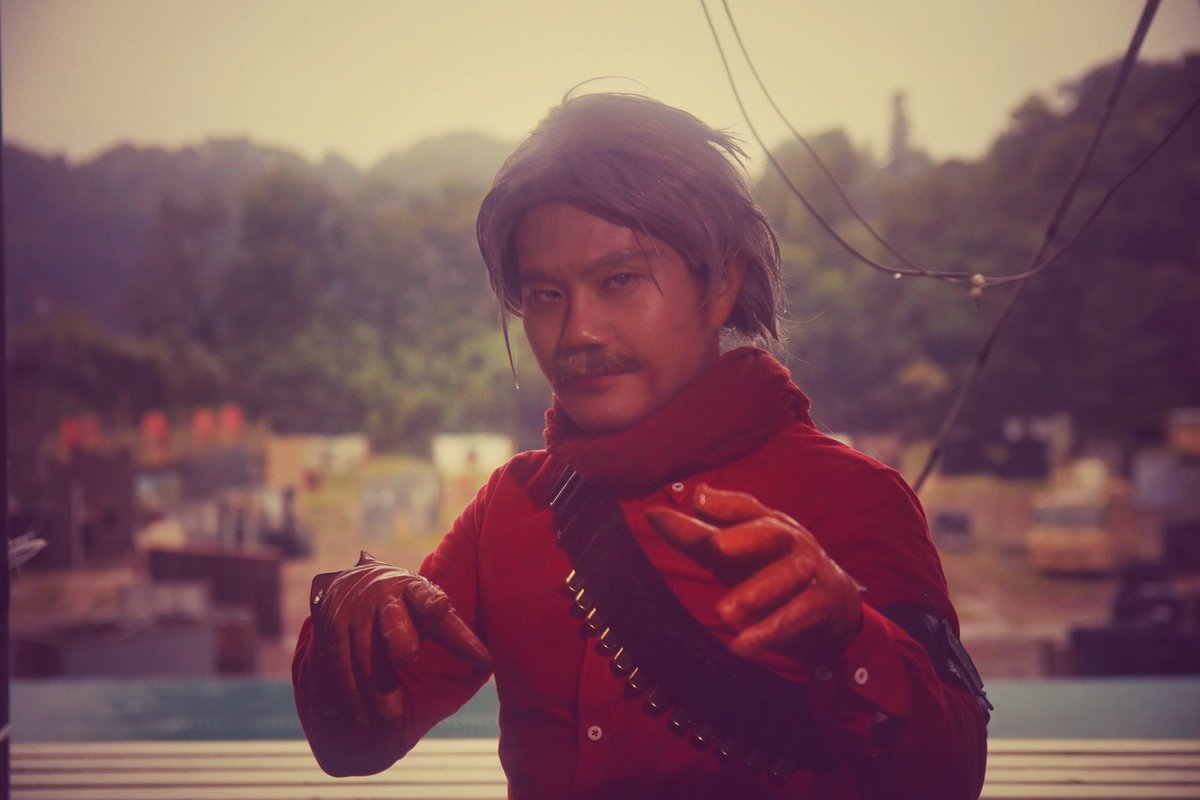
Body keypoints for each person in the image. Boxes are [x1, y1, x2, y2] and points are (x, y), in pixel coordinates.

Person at [292, 92, 990, 799]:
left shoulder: (854, 498)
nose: (578, 333)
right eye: (546, 295)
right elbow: (356, 744)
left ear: (722, 283)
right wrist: (346, 623)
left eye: (620, 280)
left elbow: (954, 779)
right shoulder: (510, 507)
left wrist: (850, 637)